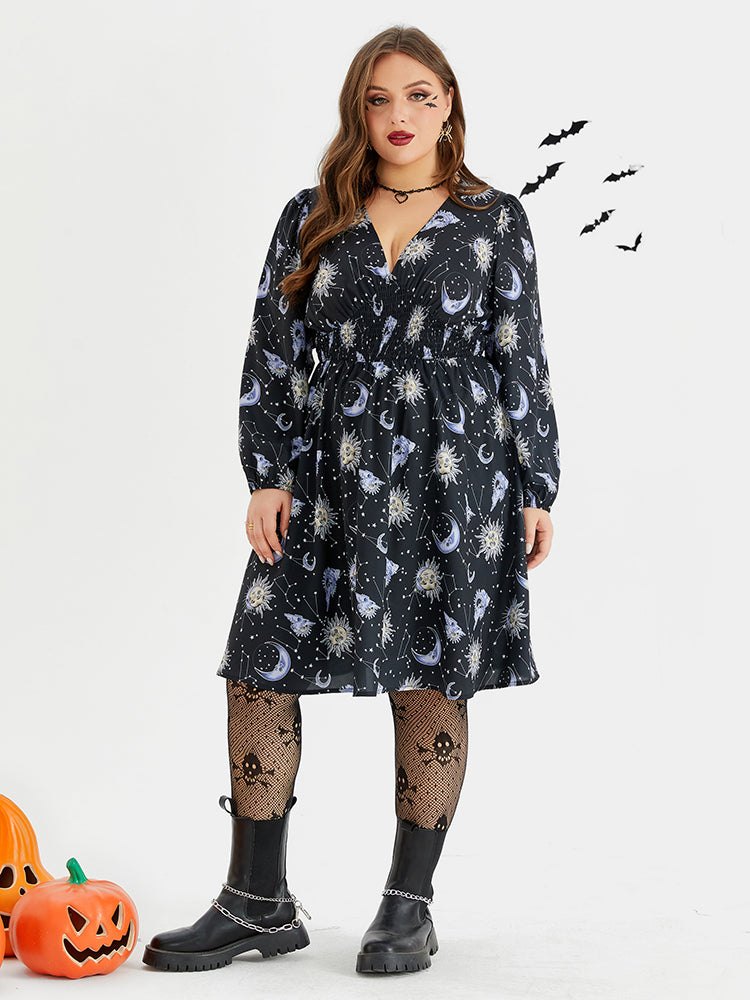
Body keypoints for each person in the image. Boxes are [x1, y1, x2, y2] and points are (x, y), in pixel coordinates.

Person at [142, 23, 561, 977]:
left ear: (448, 105)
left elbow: (520, 355)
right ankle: (256, 900)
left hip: (456, 473)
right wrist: (267, 472)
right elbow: (272, 347)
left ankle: (407, 906)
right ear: (356, 113)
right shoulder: (312, 213)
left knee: (430, 674)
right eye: (379, 99)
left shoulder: (495, 219)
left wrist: (536, 486)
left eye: (419, 96)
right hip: (327, 474)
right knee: (260, 660)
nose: (399, 116)